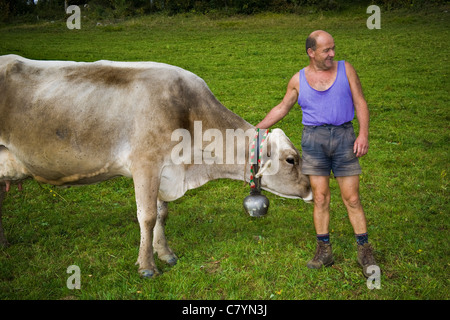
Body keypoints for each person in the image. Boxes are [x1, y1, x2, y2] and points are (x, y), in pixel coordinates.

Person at [256, 30, 377, 277]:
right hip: (313, 141)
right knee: (320, 198)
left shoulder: (346, 69)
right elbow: (282, 107)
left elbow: (360, 102)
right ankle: (324, 250)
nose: (332, 54)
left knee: (352, 199)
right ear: (311, 53)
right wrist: (256, 130)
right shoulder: (298, 80)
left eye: (333, 48)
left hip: (344, 137)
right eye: (326, 50)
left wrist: (363, 134)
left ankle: (364, 250)